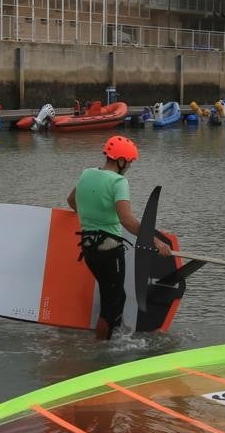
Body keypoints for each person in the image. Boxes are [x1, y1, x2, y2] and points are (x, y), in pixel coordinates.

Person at [67, 136, 171, 341]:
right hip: (109, 248)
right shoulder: (119, 182)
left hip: (88, 248)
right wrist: (155, 242)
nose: (130, 166)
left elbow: (71, 201)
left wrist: (92, 218)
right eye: (130, 161)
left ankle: (110, 338)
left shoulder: (87, 174)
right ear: (121, 160)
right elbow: (128, 220)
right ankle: (102, 347)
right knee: (112, 300)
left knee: (112, 296)